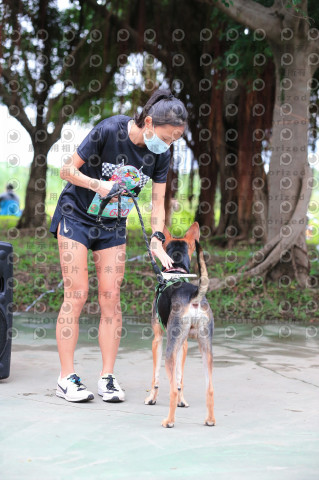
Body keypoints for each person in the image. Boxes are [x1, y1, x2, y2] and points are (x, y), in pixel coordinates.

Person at [50, 88, 188, 403]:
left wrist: (157, 239)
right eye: (166, 138)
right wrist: (97, 184)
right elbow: (66, 170)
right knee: (77, 292)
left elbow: (157, 204)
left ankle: (107, 378)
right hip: (76, 217)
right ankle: (66, 378)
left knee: (111, 296)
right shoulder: (109, 130)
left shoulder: (161, 154)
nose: (167, 146)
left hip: (113, 226)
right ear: (150, 123)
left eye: (173, 142)